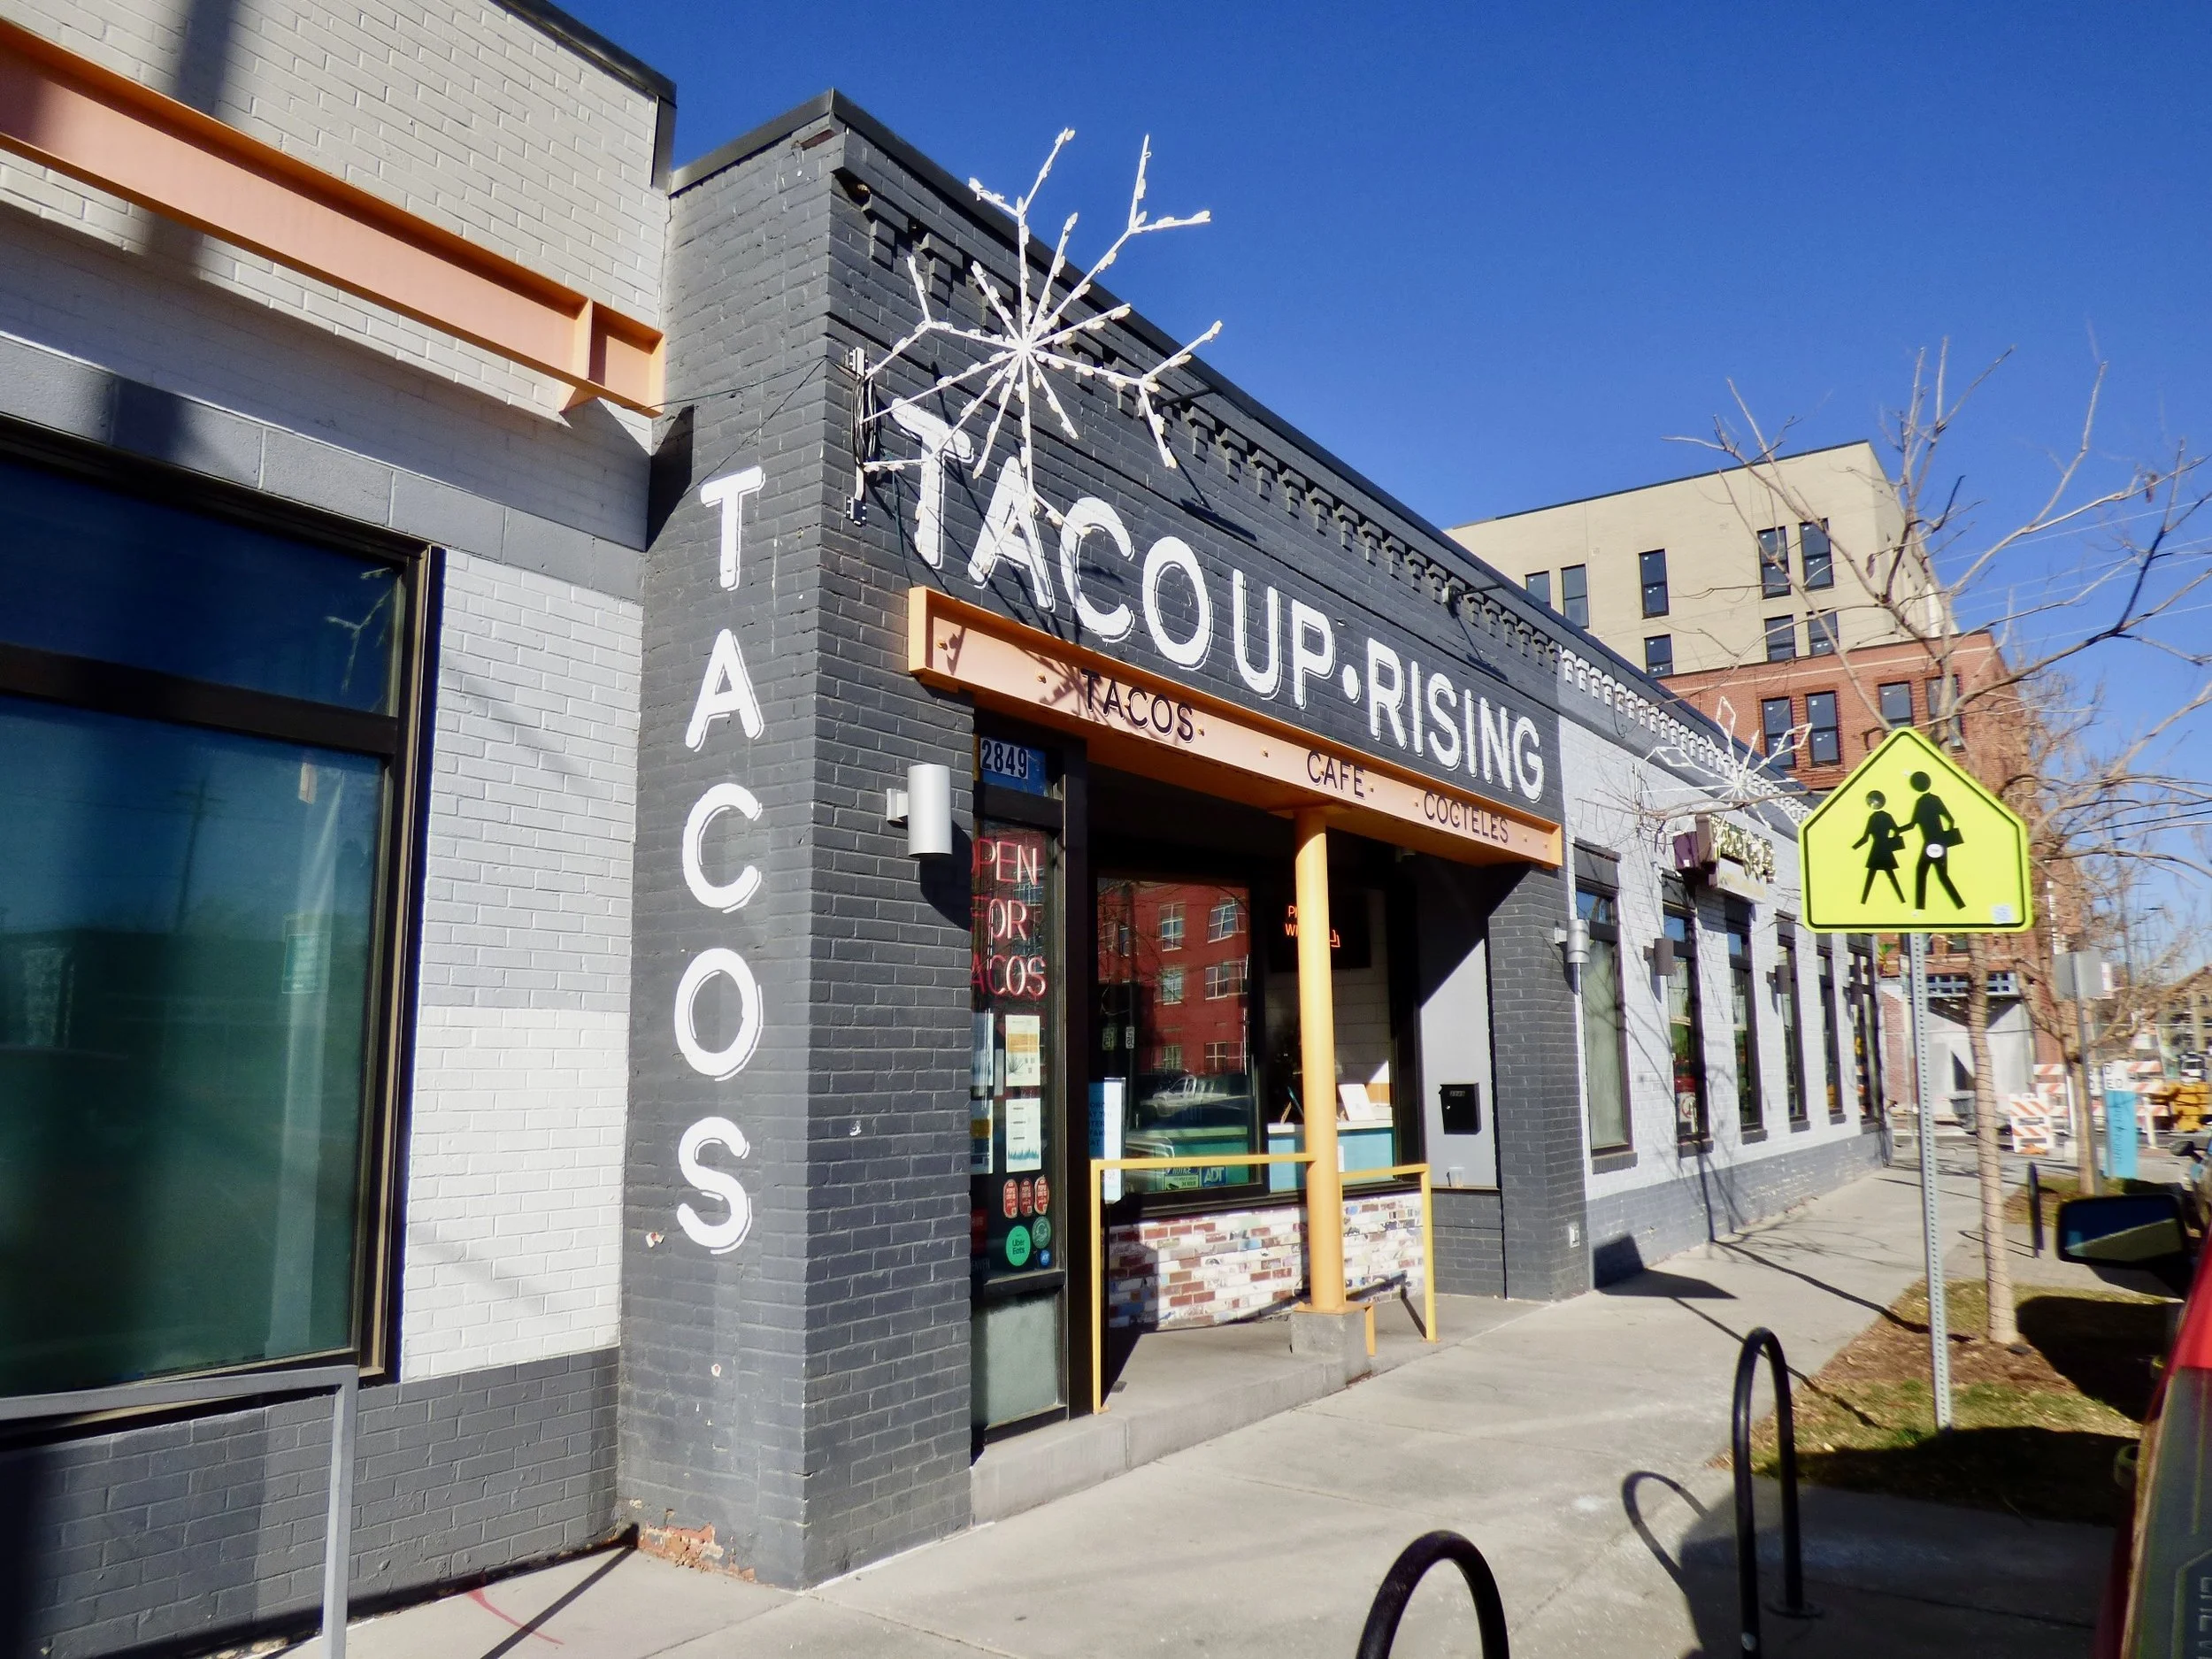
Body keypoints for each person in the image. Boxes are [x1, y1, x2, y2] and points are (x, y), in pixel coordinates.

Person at [1909, 770, 1965, 910]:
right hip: (1938, 843)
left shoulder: (1921, 802)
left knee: (1924, 872)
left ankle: (1920, 907)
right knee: (1938, 875)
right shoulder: (1934, 799)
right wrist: (1946, 835)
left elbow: (1912, 824)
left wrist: (1897, 830)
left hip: (1931, 844)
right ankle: (1959, 904)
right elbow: (1950, 819)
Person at [1853, 790, 1907, 903]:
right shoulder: (1887, 816)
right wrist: (1892, 840)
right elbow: (1897, 830)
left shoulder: (1873, 818)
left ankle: (1863, 901)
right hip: (1885, 848)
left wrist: (1854, 848)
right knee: (1890, 876)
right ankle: (1902, 899)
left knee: (1872, 876)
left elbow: (1865, 838)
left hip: (1877, 849)